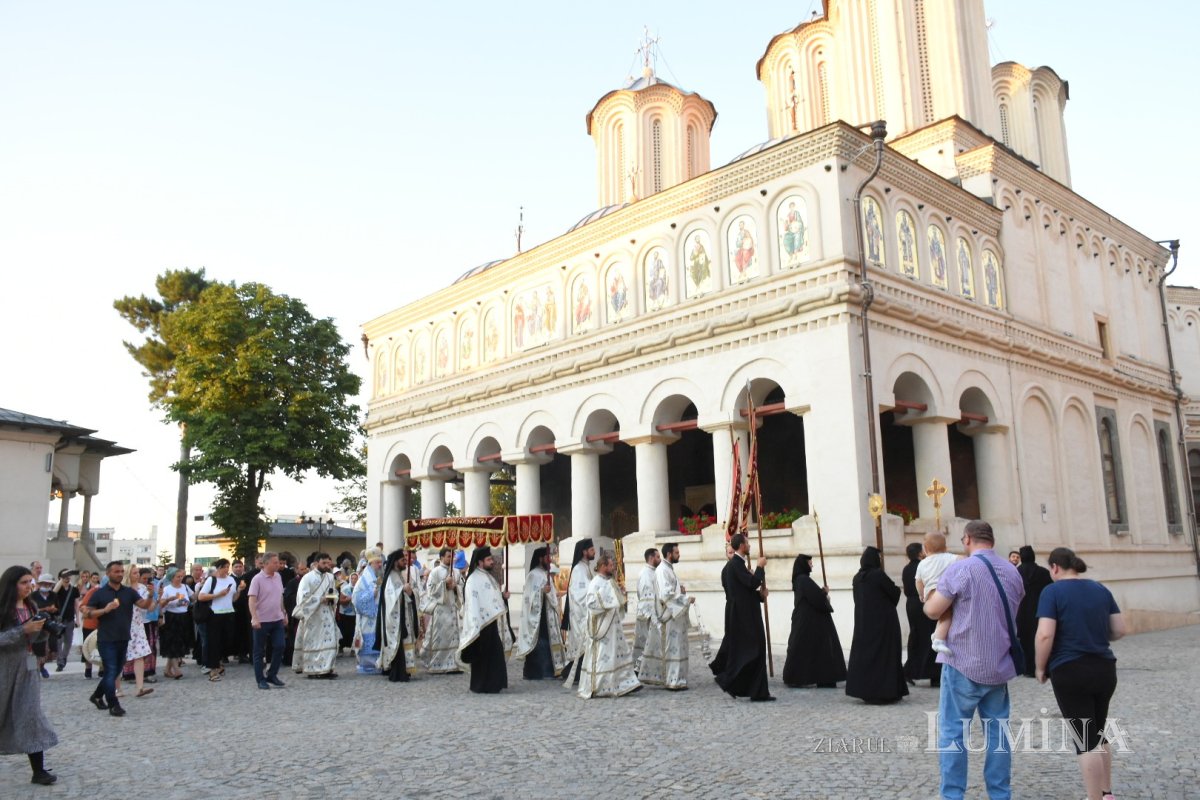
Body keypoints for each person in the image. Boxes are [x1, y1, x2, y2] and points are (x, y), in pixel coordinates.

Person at [923, 520, 1024, 800]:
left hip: (962, 662)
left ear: (967, 540)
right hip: (999, 665)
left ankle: (953, 796)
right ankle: (1000, 794)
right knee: (998, 735)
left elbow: (933, 610)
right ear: (991, 539)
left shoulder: (962, 569)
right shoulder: (1013, 573)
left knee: (954, 734)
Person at [1035, 548, 1125, 800]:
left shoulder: (1051, 592)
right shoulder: (1099, 589)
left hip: (1070, 669)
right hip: (1105, 668)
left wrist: (1040, 667)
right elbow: (1119, 629)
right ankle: (1107, 793)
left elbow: (1044, 634)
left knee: (1084, 739)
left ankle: (1093, 797)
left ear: (1054, 567)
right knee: (1098, 730)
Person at [0, 565, 59, 785]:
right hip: (4, 670)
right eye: (24, 583)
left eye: (29, 582)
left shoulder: (31, 606)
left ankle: (39, 771)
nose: (29, 587)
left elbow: (32, 641)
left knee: (31, 715)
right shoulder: (2, 609)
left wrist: (42, 631)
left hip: (27, 670)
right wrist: (22, 630)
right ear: (11, 585)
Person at [79, 561, 153, 717]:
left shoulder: (129, 592)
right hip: (106, 638)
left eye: (121, 571)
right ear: (108, 573)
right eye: (116, 571)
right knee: (111, 670)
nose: (119, 574)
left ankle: (97, 696)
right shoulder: (99, 593)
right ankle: (114, 704)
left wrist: (151, 595)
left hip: (124, 637)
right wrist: (105, 610)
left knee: (115, 671)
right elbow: (88, 613)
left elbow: (144, 605)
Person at [710, 533, 773, 701]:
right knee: (755, 650)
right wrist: (760, 567)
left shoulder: (739, 565)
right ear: (741, 546)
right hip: (745, 617)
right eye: (747, 543)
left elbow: (746, 590)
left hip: (747, 613)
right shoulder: (735, 565)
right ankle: (730, 681)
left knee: (754, 651)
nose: (750, 545)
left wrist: (760, 596)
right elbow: (750, 584)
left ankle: (756, 690)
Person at [845, 546, 908, 704]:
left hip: (864, 623)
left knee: (867, 657)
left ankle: (865, 690)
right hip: (883, 623)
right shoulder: (878, 575)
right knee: (885, 656)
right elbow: (894, 593)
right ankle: (885, 691)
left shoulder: (857, 578)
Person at [578, 550, 641, 698]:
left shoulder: (608, 582)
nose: (613, 568)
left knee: (618, 655)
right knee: (604, 657)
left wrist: (620, 595)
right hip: (602, 629)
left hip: (613, 628)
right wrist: (609, 599)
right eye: (611, 565)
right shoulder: (595, 583)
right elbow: (591, 604)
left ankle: (626, 683)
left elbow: (616, 603)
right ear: (603, 566)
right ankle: (602, 687)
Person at [782, 553, 846, 689]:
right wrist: (823, 594)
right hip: (808, 621)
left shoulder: (801, 580)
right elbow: (816, 598)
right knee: (805, 649)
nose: (812, 565)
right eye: (810, 563)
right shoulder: (803, 579)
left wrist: (822, 592)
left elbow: (813, 595)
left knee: (810, 649)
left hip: (808, 621)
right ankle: (798, 676)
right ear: (803, 564)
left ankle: (805, 676)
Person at [639, 542, 693, 690]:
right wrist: (685, 599)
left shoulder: (668, 569)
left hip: (675, 616)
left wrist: (680, 591)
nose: (679, 555)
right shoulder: (663, 570)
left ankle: (678, 679)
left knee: (678, 647)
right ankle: (673, 681)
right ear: (669, 554)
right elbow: (665, 595)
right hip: (669, 616)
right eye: (676, 552)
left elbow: (671, 590)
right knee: (672, 649)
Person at [457, 547, 511, 694]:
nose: (492, 562)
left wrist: (503, 597)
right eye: (489, 560)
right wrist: (476, 625)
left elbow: (490, 598)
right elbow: (473, 604)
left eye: (491, 559)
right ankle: (481, 685)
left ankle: (494, 684)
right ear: (480, 562)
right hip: (481, 625)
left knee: (494, 654)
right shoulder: (473, 580)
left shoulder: (487, 576)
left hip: (490, 623)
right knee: (484, 657)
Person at [516, 546, 564, 680]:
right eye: (547, 557)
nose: (550, 560)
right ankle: (539, 672)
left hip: (548, 618)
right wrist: (541, 592)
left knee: (548, 645)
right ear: (540, 558)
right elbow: (528, 598)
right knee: (540, 645)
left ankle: (551, 670)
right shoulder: (533, 575)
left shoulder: (545, 574)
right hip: (538, 619)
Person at [293, 553, 341, 678]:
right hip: (313, 615)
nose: (326, 565)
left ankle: (327, 668)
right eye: (323, 563)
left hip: (327, 614)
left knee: (328, 641)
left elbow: (334, 592)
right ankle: (313, 670)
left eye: (328, 563)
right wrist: (320, 599)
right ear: (316, 563)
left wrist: (332, 598)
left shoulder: (330, 577)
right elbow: (302, 598)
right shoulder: (307, 578)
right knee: (314, 642)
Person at [377, 549, 422, 682]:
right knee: (397, 643)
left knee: (406, 642)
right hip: (395, 617)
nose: (405, 562)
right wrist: (402, 590)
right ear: (396, 562)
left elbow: (414, 590)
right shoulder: (390, 576)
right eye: (403, 560)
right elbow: (389, 596)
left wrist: (411, 592)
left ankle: (405, 670)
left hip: (405, 615)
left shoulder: (401, 575)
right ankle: (397, 672)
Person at [419, 547, 462, 674]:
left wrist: (455, 588)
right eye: (448, 556)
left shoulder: (456, 572)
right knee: (439, 637)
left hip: (452, 609)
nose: (451, 559)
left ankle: (454, 663)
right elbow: (430, 590)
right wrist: (444, 584)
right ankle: (438, 663)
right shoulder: (435, 572)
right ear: (442, 557)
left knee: (453, 637)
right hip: (440, 610)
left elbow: (462, 588)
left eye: (452, 556)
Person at [196, 558, 241, 682]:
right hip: (215, 614)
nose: (226, 569)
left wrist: (239, 591)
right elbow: (201, 596)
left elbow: (233, 599)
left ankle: (220, 663)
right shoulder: (212, 580)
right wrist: (217, 595)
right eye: (224, 567)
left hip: (229, 612)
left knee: (227, 641)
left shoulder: (231, 579)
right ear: (219, 568)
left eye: (228, 567)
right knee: (213, 643)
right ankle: (213, 670)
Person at [248, 552, 287, 690]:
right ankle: (260, 679)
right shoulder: (257, 579)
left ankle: (272, 674)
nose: (278, 564)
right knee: (259, 650)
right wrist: (254, 617)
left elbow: (280, 597)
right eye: (275, 562)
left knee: (280, 645)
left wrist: (284, 613)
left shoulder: (278, 577)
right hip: (262, 620)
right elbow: (252, 599)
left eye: (278, 562)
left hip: (277, 618)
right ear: (266, 564)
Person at [901, 542, 938, 687]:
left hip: (911, 605)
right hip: (924, 602)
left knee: (917, 636)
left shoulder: (906, 568)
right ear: (919, 553)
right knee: (930, 636)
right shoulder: (924, 566)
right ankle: (933, 673)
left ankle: (910, 671)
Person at [916, 531, 958, 655]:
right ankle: (939, 640)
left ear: (925, 549)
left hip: (929, 593)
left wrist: (921, 594)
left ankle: (937, 633)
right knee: (948, 614)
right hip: (943, 593)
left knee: (943, 615)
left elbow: (918, 582)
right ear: (945, 547)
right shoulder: (950, 557)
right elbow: (964, 561)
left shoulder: (922, 563)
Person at [561, 538, 595, 685]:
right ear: (584, 552)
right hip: (580, 615)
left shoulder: (585, 567)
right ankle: (574, 673)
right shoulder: (579, 569)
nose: (594, 552)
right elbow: (581, 593)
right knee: (582, 646)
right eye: (592, 550)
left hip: (584, 614)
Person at [1017, 545, 1053, 677]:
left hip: (1022, 611)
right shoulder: (1043, 572)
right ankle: (1043, 665)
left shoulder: (1016, 572)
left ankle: (1028, 668)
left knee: (1025, 639)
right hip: (1040, 609)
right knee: (1040, 637)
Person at [120, 567, 155, 698]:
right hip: (123, 624)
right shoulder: (122, 588)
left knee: (139, 656)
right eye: (134, 573)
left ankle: (139, 687)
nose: (137, 575)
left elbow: (149, 607)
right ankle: (117, 689)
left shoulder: (142, 588)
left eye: (138, 573)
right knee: (120, 657)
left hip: (138, 624)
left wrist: (153, 597)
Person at [352, 549, 384, 674]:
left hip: (378, 616)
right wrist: (371, 594)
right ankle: (367, 665)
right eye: (377, 562)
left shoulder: (377, 577)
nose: (380, 565)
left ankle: (378, 663)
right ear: (371, 563)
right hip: (367, 617)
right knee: (368, 640)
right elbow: (355, 599)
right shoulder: (363, 580)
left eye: (380, 562)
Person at [157, 567, 193, 679]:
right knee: (171, 643)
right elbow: (161, 603)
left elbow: (189, 600)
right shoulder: (167, 589)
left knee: (179, 643)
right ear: (172, 577)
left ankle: (167, 669)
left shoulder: (184, 587)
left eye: (181, 576)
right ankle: (176, 670)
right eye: (178, 577)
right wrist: (169, 600)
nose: (180, 578)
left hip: (183, 616)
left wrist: (184, 601)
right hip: (171, 617)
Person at [632, 548, 660, 667]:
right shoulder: (645, 574)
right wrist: (653, 617)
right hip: (647, 615)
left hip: (653, 612)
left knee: (651, 644)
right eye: (658, 557)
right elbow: (646, 597)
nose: (660, 559)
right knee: (644, 643)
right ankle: (639, 668)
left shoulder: (654, 572)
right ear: (651, 558)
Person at [29, 575, 59, 678]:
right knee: (33, 649)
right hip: (37, 624)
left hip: (50, 624)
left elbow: (58, 608)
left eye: (48, 584)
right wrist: (44, 609)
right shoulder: (33, 596)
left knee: (48, 648)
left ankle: (41, 666)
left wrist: (54, 610)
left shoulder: (53, 595)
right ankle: (32, 670)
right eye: (44, 584)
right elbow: (31, 610)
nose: (46, 586)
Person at [52, 570, 80, 673]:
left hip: (70, 618)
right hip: (59, 618)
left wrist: (77, 618)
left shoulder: (74, 589)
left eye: (69, 575)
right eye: (65, 575)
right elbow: (53, 592)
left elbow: (76, 604)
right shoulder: (57, 588)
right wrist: (61, 580)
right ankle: (60, 661)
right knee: (59, 641)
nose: (67, 577)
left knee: (68, 641)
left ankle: (63, 657)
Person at [282, 558, 308, 667]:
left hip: (307, 613)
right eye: (301, 569)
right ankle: (290, 659)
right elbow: (287, 597)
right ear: (297, 570)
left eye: (305, 569)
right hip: (296, 616)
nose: (303, 571)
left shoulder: (308, 580)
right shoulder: (292, 582)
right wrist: (299, 597)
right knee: (294, 638)